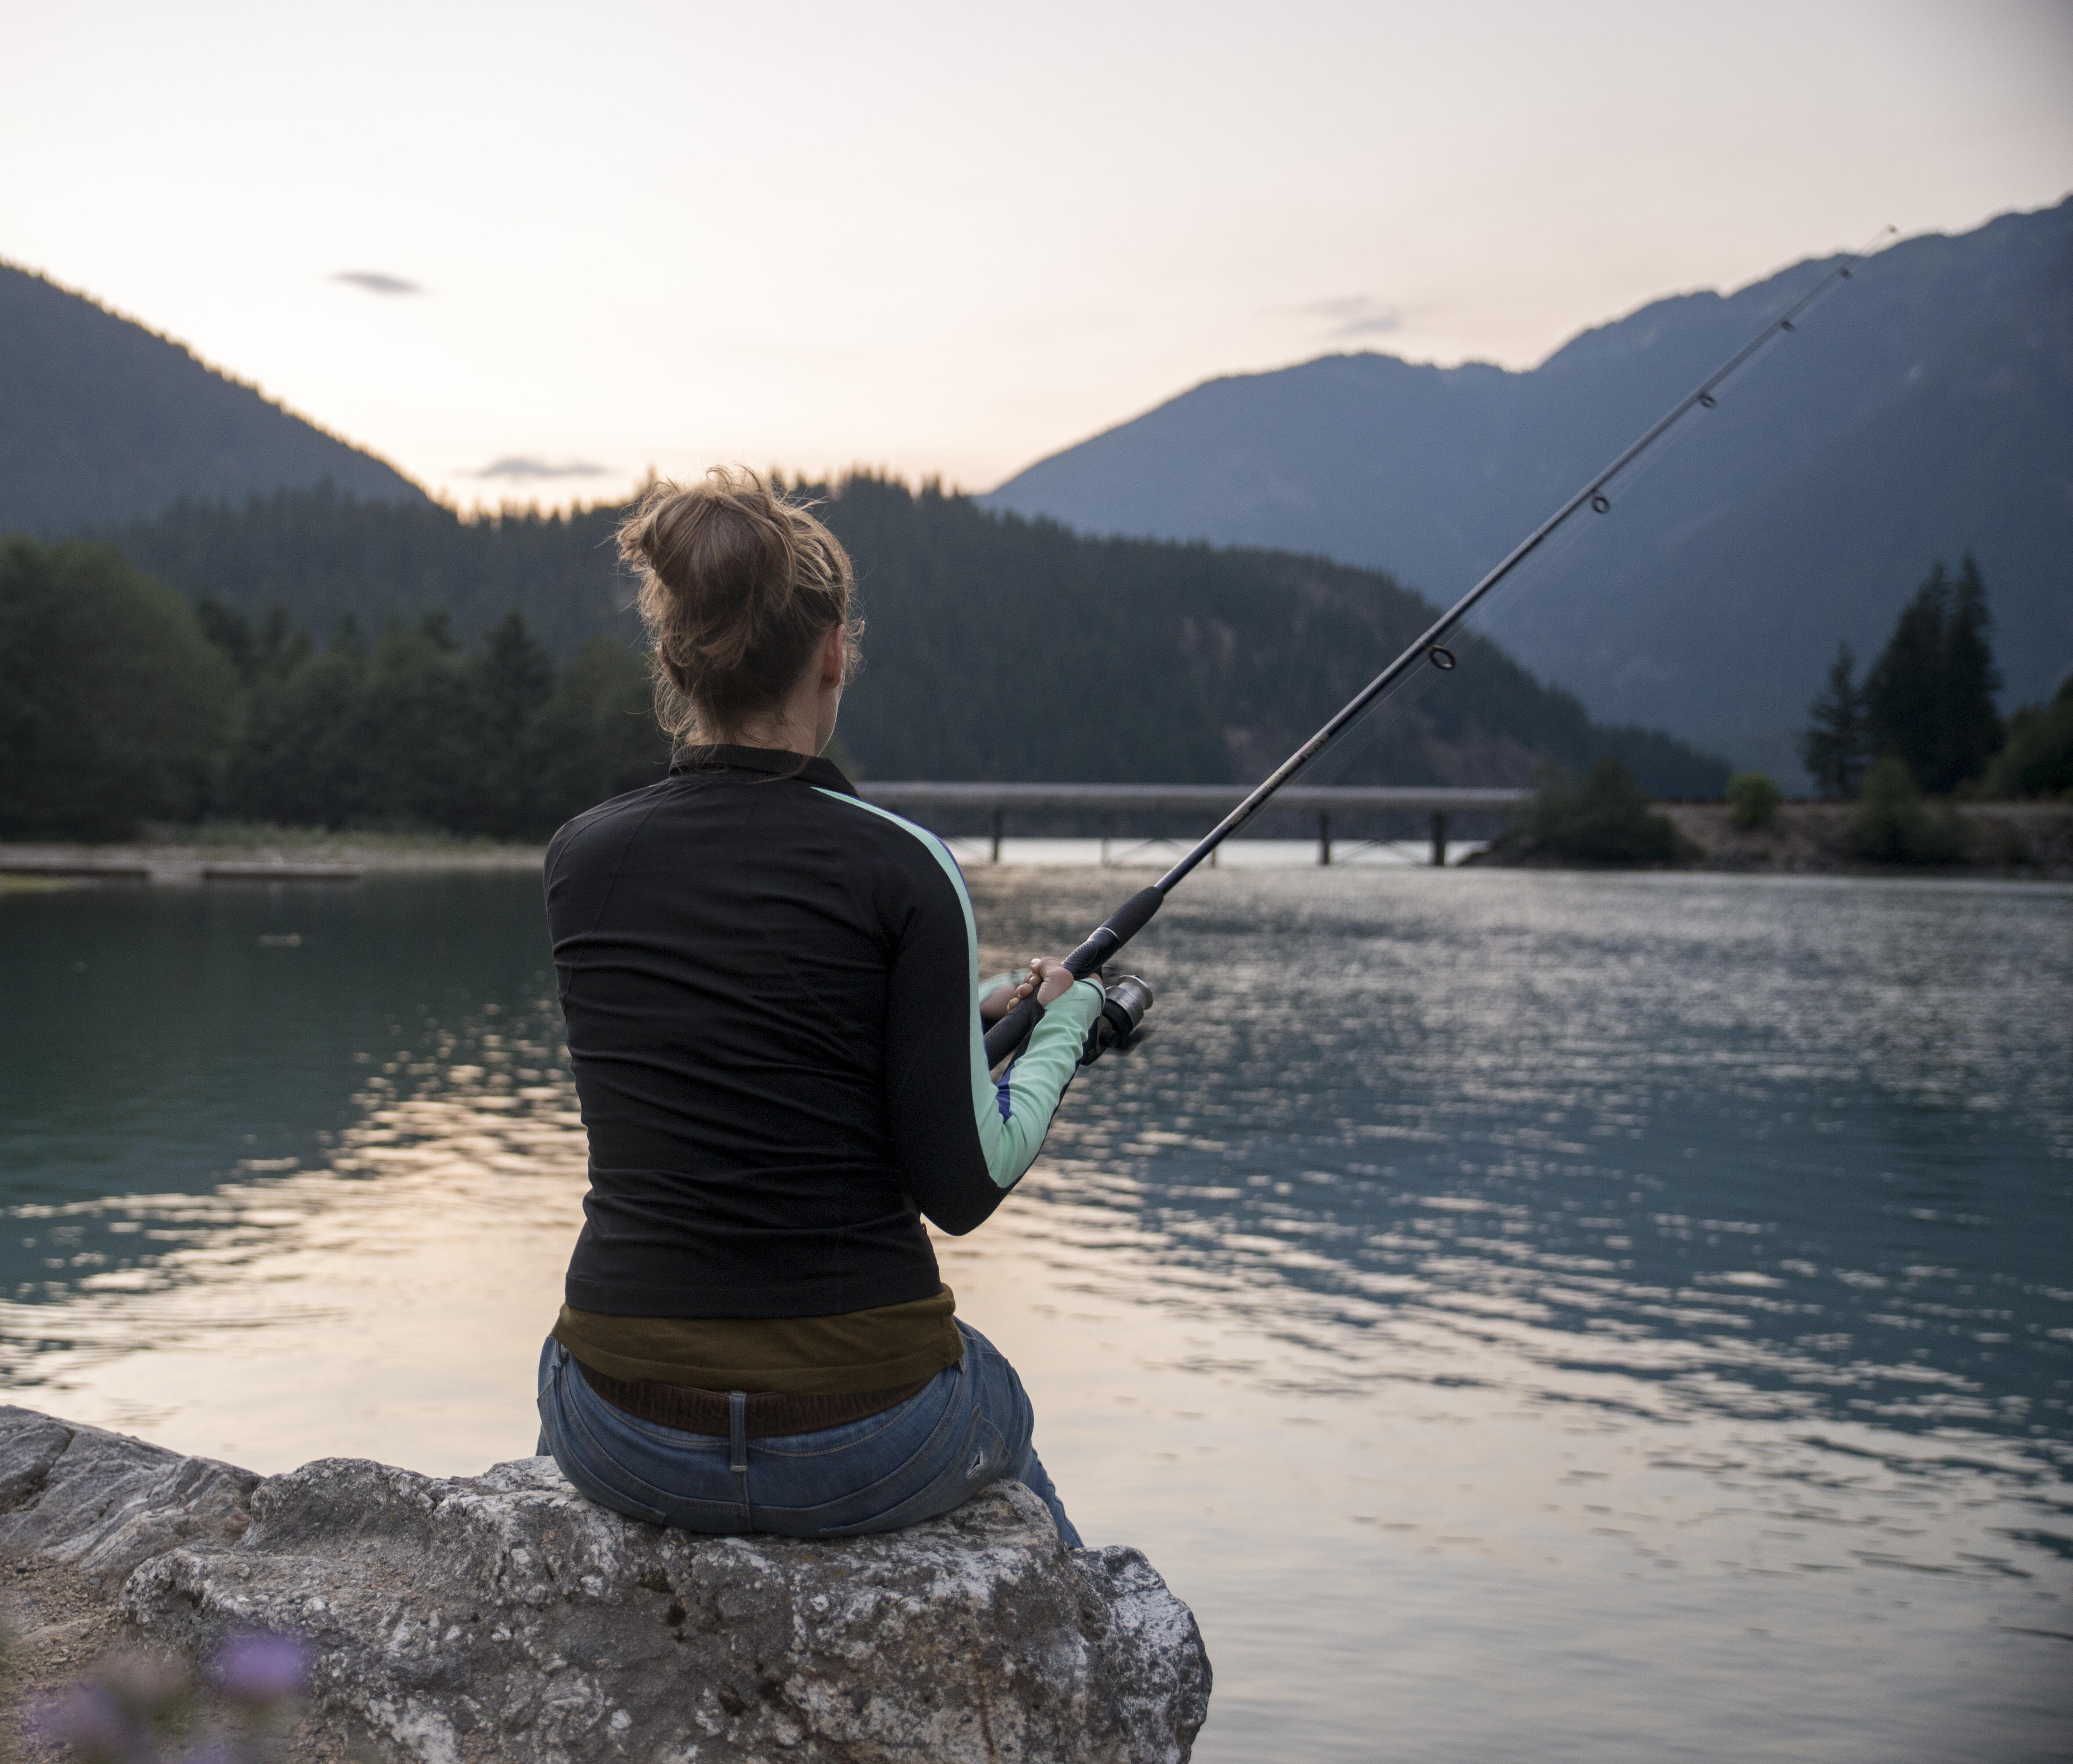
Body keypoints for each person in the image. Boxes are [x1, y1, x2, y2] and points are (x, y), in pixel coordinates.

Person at [535, 467, 1130, 1546]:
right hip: (867, 1433)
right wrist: (1065, 1025)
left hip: (620, 1424)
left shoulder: (582, 860)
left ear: (674, 660)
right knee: (998, 1396)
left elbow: (737, 1047)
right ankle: (1080, 1646)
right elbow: (964, 1183)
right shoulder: (905, 867)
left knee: (573, 1364)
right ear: (831, 653)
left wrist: (960, 1014)